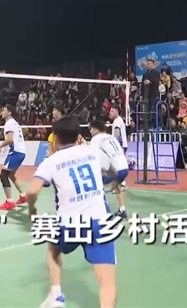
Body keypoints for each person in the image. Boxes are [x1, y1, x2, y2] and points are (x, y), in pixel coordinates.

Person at [26, 116, 118, 308]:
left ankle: (56, 295)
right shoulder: (93, 152)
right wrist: (107, 181)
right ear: (78, 136)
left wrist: (32, 210)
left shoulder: (51, 161)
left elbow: (32, 192)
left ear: (55, 138)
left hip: (69, 223)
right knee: (107, 283)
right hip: (99, 222)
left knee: (53, 249)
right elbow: (113, 171)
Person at [90, 120, 130, 219]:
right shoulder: (111, 137)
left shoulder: (96, 139)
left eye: (91, 129)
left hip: (115, 169)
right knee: (116, 185)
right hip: (125, 167)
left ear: (96, 129)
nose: (90, 131)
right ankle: (122, 210)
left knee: (96, 186)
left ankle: (104, 213)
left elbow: (93, 156)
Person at [0, 104, 27, 210]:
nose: (2, 112)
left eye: (4, 110)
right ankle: (23, 196)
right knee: (11, 175)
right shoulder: (14, 123)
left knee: (3, 175)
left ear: (9, 112)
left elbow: (9, 140)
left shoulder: (9, 123)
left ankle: (9, 202)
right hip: (21, 152)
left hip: (15, 152)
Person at [108, 106, 129, 191]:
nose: (110, 113)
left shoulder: (117, 121)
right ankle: (120, 184)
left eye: (112, 111)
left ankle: (121, 185)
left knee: (117, 165)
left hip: (120, 146)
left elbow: (117, 134)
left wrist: (116, 146)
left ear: (117, 111)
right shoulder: (117, 120)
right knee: (118, 165)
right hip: (121, 145)